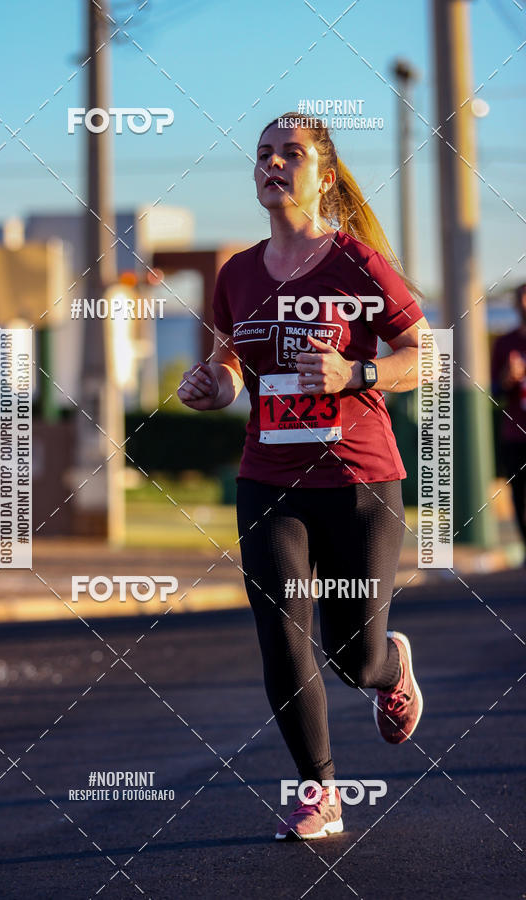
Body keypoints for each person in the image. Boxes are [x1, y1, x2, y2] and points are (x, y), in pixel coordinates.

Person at [177, 112, 429, 841]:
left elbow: (426, 354)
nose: (273, 165)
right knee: (284, 638)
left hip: (359, 480)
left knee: (354, 658)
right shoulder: (237, 274)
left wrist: (359, 371)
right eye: (262, 154)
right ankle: (319, 791)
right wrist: (211, 387)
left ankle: (392, 666)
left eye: (291, 154)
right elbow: (231, 368)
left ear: (323, 174)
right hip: (269, 479)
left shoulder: (355, 263)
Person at [491, 283, 526, 562]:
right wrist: (508, 378)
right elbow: (496, 392)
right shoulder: (505, 344)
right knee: (520, 495)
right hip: (516, 433)